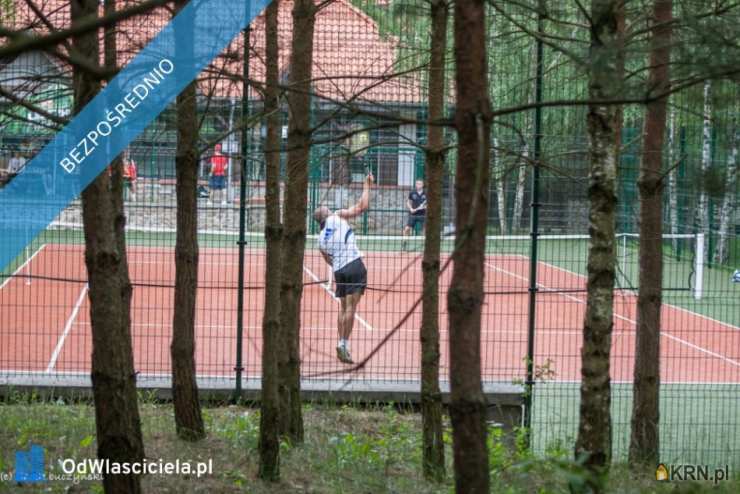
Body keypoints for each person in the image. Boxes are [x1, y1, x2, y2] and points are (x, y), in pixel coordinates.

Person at [313, 173, 374, 364]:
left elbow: (328, 261)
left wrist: (340, 259)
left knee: (343, 308)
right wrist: (367, 185)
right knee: (351, 308)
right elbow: (362, 207)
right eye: (327, 208)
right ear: (327, 213)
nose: (330, 208)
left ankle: (341, 342)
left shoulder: (320, 239)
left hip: (339, 270)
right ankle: (343, 343)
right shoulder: (337, 215)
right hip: (354, 264)